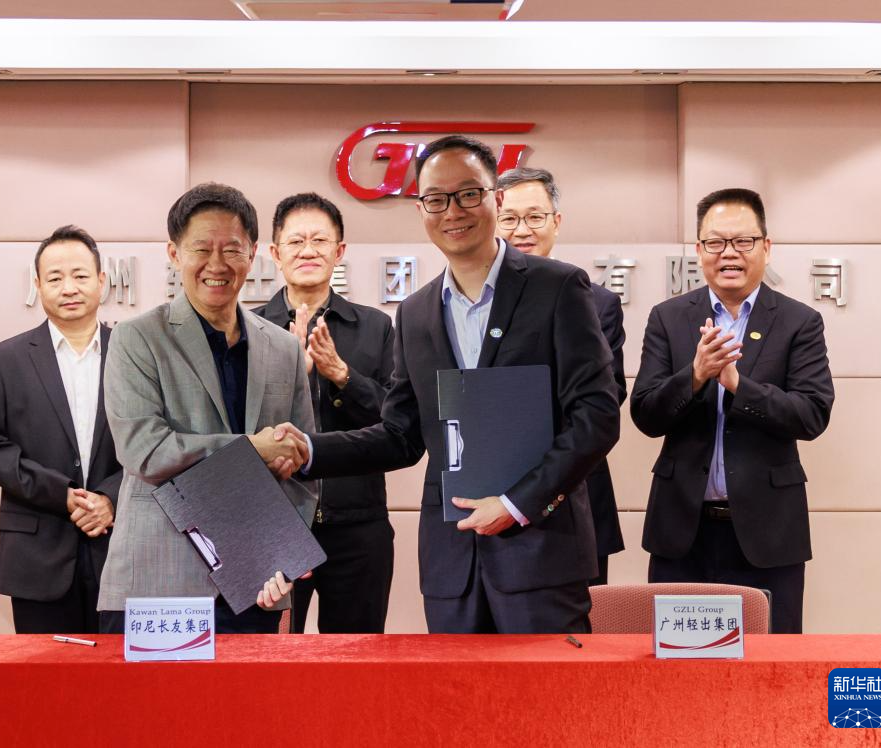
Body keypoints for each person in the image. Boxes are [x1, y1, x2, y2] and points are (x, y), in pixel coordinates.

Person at [282, 136, 620, 634]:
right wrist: (309, 449)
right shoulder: (416, 313)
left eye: (468, 194)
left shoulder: (558, 288)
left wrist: (515, 504)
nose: (453, 211)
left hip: (541, 554)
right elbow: (400, 435)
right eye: (436, 199)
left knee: (546, 687)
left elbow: (597, 417)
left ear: (495, 198)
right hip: (452, 563)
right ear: (421, 208)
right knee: (454, 687)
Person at [96, 182, 316, 634]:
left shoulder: (283, 348)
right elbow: (144, 451)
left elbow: (303, 460)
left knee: (254, 687)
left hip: (257, 580)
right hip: (160, 580)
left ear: (252, 254)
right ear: (174, 254)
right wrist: (252, 449)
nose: (217, 264)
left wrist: (285, 551)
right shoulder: (137, 338)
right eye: (201, 249)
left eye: (231, 249)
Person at [630, 187, 834, 634]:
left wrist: (740, 386)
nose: (729, 253)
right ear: (699, 250)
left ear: (766, 246)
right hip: (682, 532)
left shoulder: (799, 321)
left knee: (770, 661)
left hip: (768, 532)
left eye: (743, 241)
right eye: (716, 242)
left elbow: (812, 414)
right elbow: (645, 414)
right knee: (680, 661)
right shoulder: (668, 318)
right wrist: (695, 375)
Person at [255, 193, 396, 634]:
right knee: (272, 657)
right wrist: (289, 379)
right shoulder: (250, 329)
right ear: (275, 252)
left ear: (340, 251)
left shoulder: (375, 327)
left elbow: (397, 424)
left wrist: (342, 376)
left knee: (357, 657)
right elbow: (237, 429)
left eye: (319, 240)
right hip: (275, 523)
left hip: (359, 524)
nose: (308, 251)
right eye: (296, 241)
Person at [0, 225, 122, 634]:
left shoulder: (135, 354)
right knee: (46, 672)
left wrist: (110, 497)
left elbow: (157, 443)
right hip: (37, 554)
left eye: (80, 275)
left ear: (101, 281)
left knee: (122, 673)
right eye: (55, 278)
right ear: (37, 285)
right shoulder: (3, 360)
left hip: (122, 547)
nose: (68, 287)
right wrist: (62, 495)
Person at [496, 166, 626, 585]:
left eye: (534, 216)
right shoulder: (471, 300)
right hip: (490, 488)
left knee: (581, 621)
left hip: (576, 489)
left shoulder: (597, 302)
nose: (522, 230)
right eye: (509, 218)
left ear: (556, 221)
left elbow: (608, 395)